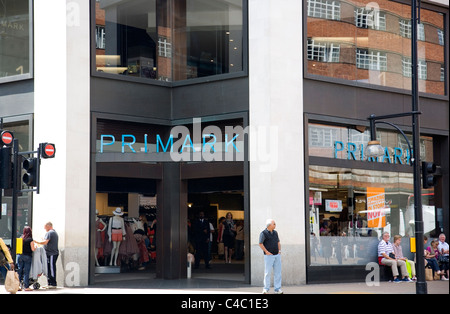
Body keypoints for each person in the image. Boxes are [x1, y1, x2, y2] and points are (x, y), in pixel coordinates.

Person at [259, 219, 282, 294]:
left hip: (277, 255)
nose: (275, 225)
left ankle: (277, 289)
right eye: (274, 224)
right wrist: (266, 252)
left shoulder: (275, 233)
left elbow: (278, 242)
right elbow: (260, 243)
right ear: (269, 225)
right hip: (268, 256)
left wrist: (279, 251)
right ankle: (266, 289)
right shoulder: (263, 233)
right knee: (267, 272)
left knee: (278, 273)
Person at [35, 222, 59, 288]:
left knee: (51, 268)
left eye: (45, 227)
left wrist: (37, 242)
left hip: (52, 253)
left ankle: (53, 283)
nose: (44, 228)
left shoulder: (50, 233)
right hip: (51, 253)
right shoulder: (53, 232)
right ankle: (50, 283)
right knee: (49, 268)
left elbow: (45, 242)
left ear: (49, 226)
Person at [17, 226, 36, 291]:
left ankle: (17, 286)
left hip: (20, 256)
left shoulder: (21, 238)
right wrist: (35, 247)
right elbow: (33, 249)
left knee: (19, 271)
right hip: (27, 256)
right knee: (26, 272)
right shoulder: (30, 239)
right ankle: (26, 287)